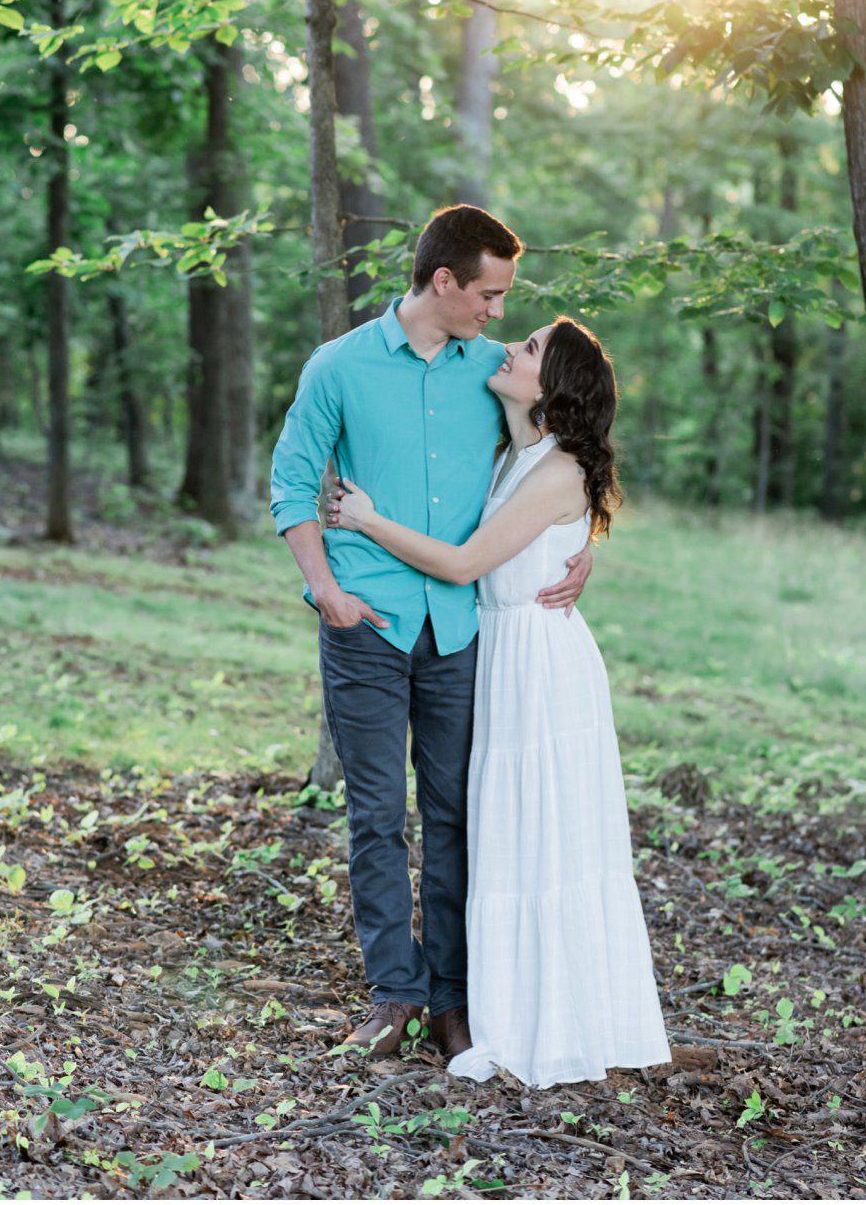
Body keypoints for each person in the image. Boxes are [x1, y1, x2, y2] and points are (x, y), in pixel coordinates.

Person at [269, 205, 594, 1063]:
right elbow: (292, 482)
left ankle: (454, 998)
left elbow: (567, 451)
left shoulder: (495, 373)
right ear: (443, 281)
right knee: (375, 814)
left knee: (456, 813)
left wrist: (583, 546)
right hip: (366, 620)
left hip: (462, 629)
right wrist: (325, 589)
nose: (499, 313)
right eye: (488, 294)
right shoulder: (336, 367)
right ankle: (396, 992)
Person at [327, 316, 672, 1087]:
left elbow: (462, 562)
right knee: (508, 834)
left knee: (541, 837)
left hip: (540, 669)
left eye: (531, 348)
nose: (511, 346)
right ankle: (502, 1003)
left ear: (553, 387)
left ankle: (549, 1021)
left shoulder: (554, 471)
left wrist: (367, 518)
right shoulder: (518, 455)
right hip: (504, 657)